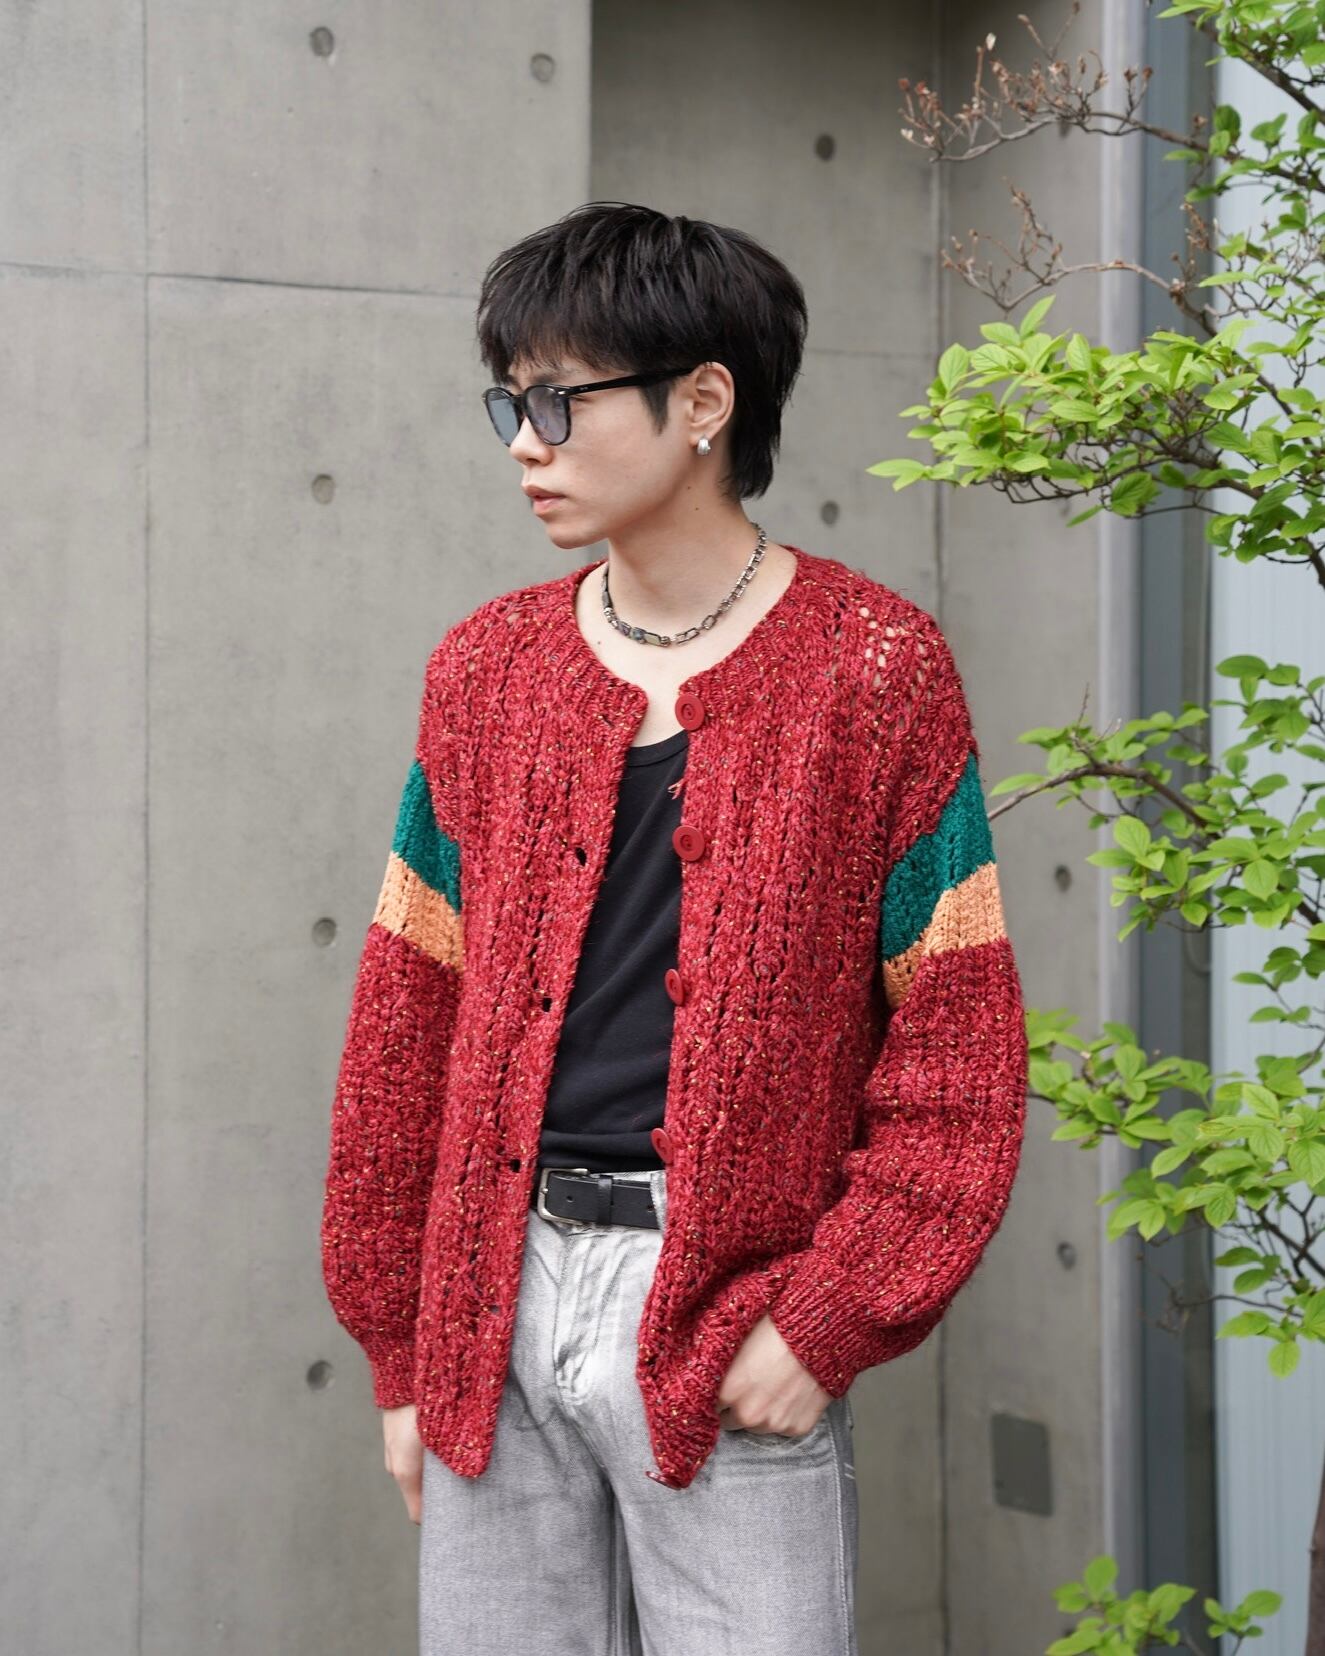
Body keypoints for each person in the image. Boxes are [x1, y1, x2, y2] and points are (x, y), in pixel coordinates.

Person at [320, 201, 1029, 1656]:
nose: (525, 444)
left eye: (559, 402)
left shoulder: (873, 672)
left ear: (704, 402)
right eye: (510, 403)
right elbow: (406, 1017)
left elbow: (958, 1054)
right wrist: (402, 1346)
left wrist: (824, 1318)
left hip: (723, 1308)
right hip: (488, 1298)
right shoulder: (487, 672)